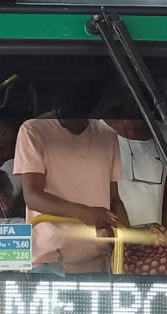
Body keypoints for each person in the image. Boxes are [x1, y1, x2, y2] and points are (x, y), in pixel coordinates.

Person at [15, 104, 129, 274]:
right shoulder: (32, 130)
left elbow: (113, 198)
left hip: (98, 259)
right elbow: (32, 196)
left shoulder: (107, 134)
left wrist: (127, 235)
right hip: (49, 263)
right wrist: (85, 213)